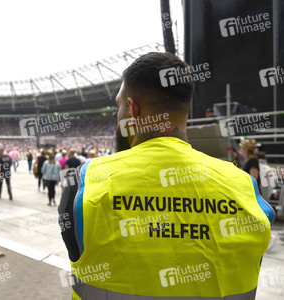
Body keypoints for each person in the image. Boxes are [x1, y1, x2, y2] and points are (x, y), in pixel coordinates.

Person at [58, 52, 275, 299]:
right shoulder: (245, 186)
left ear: (132, 109)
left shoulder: (83, 182)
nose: (118, 114)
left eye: (119, 105)